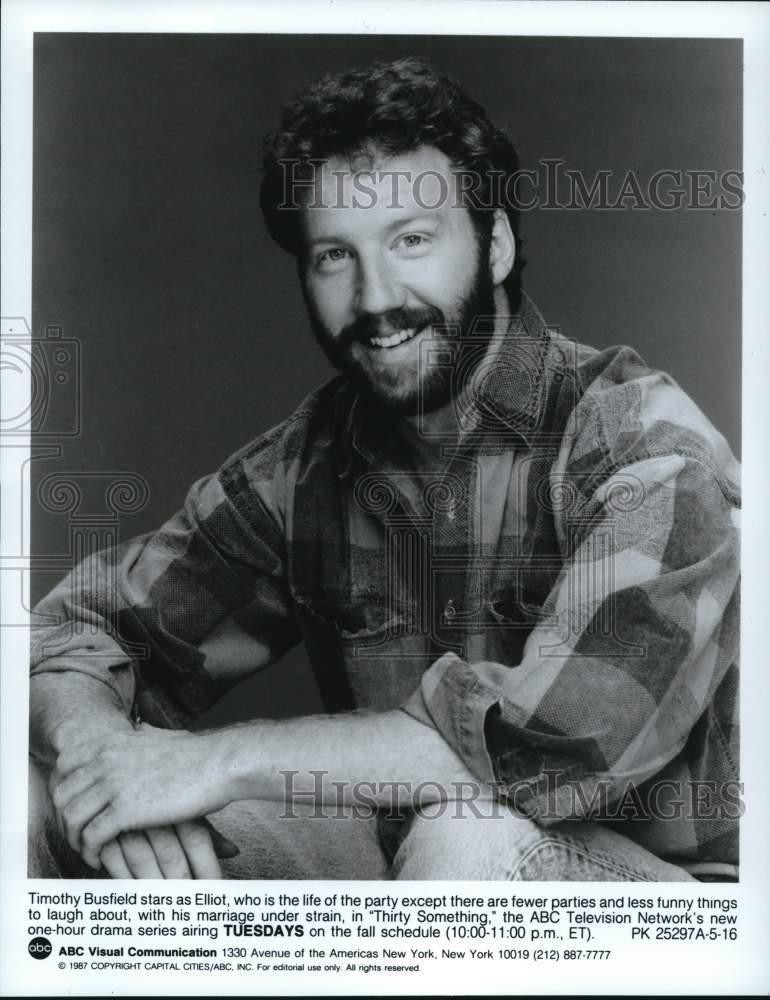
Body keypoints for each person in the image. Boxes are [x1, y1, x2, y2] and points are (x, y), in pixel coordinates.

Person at [28, 57, 740, 882]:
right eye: (335, 255)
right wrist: (100, 759)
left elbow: (555, 745)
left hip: (665, 903)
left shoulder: (643, 444)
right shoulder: (309, 464)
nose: (373, 299)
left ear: (496, 245)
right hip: (398, 854)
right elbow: (68, 631)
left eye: (411, 240)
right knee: (45, 801)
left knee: (467, 832)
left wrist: (215, 762)